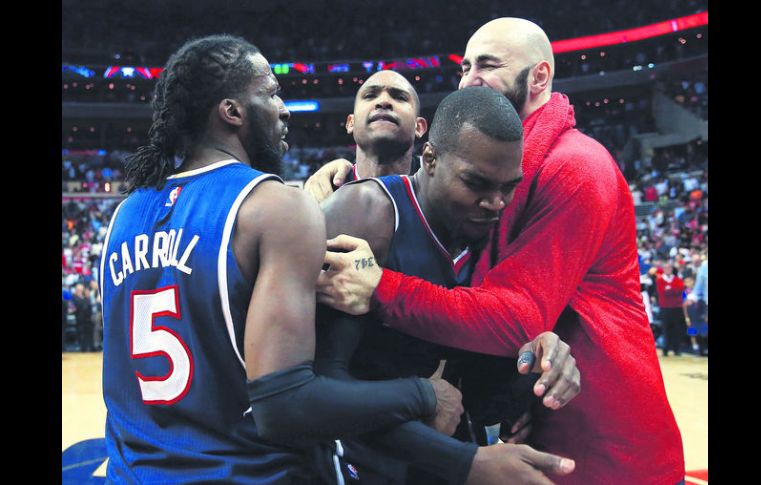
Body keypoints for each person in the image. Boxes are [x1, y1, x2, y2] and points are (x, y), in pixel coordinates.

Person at [309, 17, 685, 485]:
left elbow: (516, 318)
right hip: (519, 427)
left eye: (487, 64)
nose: (469, 79)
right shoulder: (455, 191)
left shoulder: (576, 166)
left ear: (540, 77)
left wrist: (379, 287)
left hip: (603, 438)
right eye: (465, 67)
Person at [100, 35, 469, 484]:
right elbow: (287, 405)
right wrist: (423, 395)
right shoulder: (272, 206)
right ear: (232, 112)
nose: (285, 109)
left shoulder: (125, 213)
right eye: (273, 94)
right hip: (245, 471)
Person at [317, 87, 579, 484]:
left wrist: (540, 353)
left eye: (508, 187)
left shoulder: (495, 231)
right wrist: (444, 434)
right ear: (431, 159)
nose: (495, 202)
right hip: (360, 467)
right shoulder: (366, 213)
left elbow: (476, 354)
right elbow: (311, 389)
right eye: (476, 184)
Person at [303, 69, 426, 204]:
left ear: (419, 127)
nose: (383, 101)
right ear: (351, 123)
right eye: (370, 95)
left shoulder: (439, 186)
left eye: (399, 97)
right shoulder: (326, 192)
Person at [654, 262, 687, 356]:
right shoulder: (660, 280)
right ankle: (666, 349)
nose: (668, 270)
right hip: (665, 307)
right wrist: (673, 290)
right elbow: (661, 292)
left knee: (677, 329)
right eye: (666, 268)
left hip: (677, 307)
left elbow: (680, 289)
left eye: (669, 268)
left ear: (672, 269)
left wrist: (669, 290)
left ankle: (676, 349)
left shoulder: (677, 279)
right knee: (666, 329)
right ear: (663, 269)